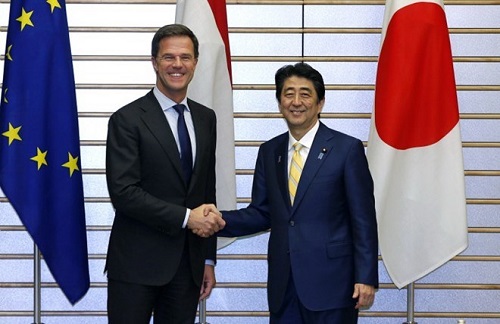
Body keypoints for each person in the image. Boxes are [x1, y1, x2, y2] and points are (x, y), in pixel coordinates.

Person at [216, 63, 379, 323]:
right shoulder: (270, 152)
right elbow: (263, 212)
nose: (296, 101)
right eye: (288, 93)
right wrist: (217, 220)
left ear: (320, 102)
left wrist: (366, 277)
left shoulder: (347, 149)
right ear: (280, 102)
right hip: (284, 287)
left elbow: (363, 219)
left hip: (333, 286)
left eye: (305, 94)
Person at [105, 24, 225, 324]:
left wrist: (207, 259)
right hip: (135, 266)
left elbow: (205, 193)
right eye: (168, 57)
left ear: (195, 62)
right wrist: (187, 218)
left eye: (185, 57)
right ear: (155, 62)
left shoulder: (205, 118)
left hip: (187, 267)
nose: (177, 65)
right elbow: (124, 193)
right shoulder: (127, 119)